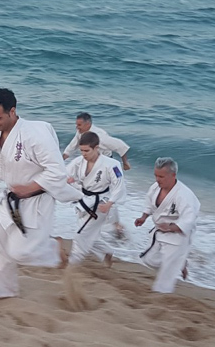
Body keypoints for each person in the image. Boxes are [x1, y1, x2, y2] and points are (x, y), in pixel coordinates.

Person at [0, 89, 76, 298]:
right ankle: (3, 293)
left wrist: (30, 187)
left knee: (21, 252)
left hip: (38, 201)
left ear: (12, 111)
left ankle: (55, 249)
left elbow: (58, 171)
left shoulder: (34, 135)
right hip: (11, 200)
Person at [134, 157, 201, 294]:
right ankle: (179, 263)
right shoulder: (155, 188)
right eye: (156, 175)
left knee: (166, 275)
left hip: (178, 235)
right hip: (160, 230)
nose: (157, 179)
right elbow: (149, 204)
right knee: (149, 259)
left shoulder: (184, 195)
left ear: (173, 175)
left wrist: (170, 227)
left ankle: (160, 294)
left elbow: (189, 219)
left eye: (161, 177)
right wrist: (143, 217)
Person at [63, 111, 132, 238]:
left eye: (79, 125)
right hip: (90, 163)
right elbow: (71, 147)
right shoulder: (81, 133)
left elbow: (120, 146)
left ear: (88, 124)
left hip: (105, 165)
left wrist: (125, 163)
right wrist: (59, 161)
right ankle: (94, 223)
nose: (77, 127)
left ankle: (117, 226)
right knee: (86, 189)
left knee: (106, 196)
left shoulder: (100, 136)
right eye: (76, 124)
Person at [63, 131, 126, 267]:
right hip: (84, 200)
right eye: (81, 150)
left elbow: (119, 186)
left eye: (87, 150)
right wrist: (70, 181)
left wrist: (109, 204)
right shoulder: (79, 162)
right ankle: (107, 251)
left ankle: (72, 266)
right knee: (89, 234)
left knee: (81, 234)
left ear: (96, 148)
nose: (83, 154)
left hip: (101, 203)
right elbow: (65, 174)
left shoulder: (112, 164)